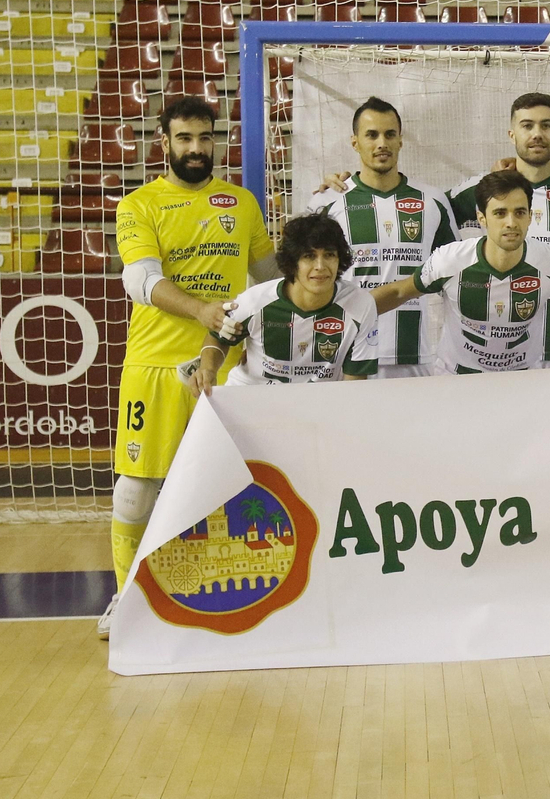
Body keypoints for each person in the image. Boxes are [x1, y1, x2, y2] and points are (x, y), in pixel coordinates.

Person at [102, 96, 275, 638]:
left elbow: (269, 274)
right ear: (164, 142)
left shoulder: (242, 202)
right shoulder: (139, 204)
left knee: (235, 488)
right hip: (154, 365)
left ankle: (229, 596)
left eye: (204, 138)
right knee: (137, 489)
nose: (196, 149)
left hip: (228, 365)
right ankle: (126, 596)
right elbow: (140, 280)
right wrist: (200, 308)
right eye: (184, 139)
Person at [374, 171, 550, 373]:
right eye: (500, 213)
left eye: (519, 212)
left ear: (530, 216)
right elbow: (398, 291)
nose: (511, 222)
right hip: (458, 381)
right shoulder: (449, 261)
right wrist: (341, 309)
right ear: (482, 218)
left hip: (523, 382)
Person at [449, 93, 550, 364]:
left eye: (545, 125)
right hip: (501, 349)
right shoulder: (484, 188)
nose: (537, 133)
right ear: (512, 134)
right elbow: (430, 217)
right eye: (527, 126)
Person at [305, 97, 455, 378]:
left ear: (401, 140)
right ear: (355, 142)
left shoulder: (432, 200)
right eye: (371, 135)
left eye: (390, 134)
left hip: (413, 355)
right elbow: (302, 280)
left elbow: (454, 277)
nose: (381, 143)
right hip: (344, 355)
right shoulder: (326, 201)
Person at [192, 210, 379, 389]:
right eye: (309, 256)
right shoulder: (254, 302)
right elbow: (218, 338)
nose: (320, 266)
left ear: (340, 259)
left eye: (329, 255)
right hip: (250, 399)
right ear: (292, 262)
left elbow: (355, 384)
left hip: (319, 406)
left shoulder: (360, 305)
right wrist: (208, 369)